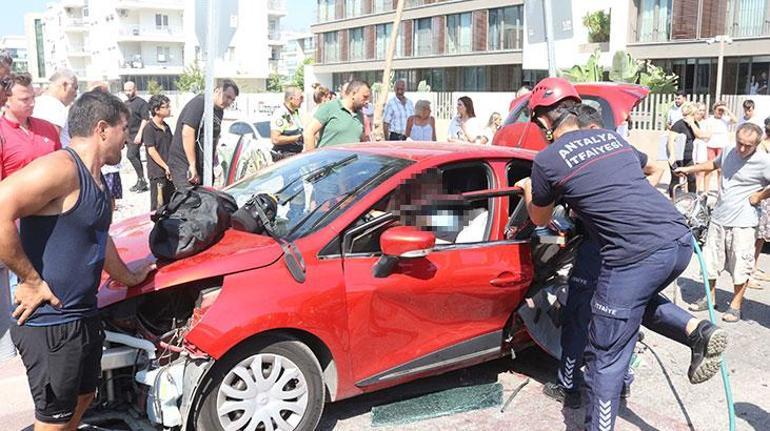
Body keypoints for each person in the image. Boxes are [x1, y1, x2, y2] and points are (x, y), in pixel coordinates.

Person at [516, 77, 727, 431]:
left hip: (632, 253)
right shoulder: (612, 139)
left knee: (605, 357)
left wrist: (526, 190)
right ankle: (697, 331)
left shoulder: (548, 160)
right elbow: (643, 174)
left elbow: (540, 219)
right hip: (677, 239)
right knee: (626, 306)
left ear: (542, 121)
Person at [0, 89, 154, 430]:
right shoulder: (61, 168)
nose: (127, 139)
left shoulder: (99, 182)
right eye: (124, 129)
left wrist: (129, 277)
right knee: (52, 421)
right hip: (51, 322)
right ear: (102, 129)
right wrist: (30, 280)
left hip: (83, 315)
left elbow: (100, 238)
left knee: (84, 399)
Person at [541, 104, 661, 408]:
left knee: (579, 315)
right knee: (624, 318)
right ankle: (619, 384)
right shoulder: (615, 149)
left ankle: (569, 386)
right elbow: (658, 168)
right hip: (629, 250)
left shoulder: (586, 152)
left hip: (599, 249)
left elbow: (542, 217)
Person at [676, 123, 770, 322]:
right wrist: (689, 169)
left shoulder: (764, 161)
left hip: (743, 222)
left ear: (757, 144)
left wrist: (760, 196)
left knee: (741, 265)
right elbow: (713, 164)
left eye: (748, 146)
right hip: (719, 217)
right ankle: (709, 298)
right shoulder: (728, 151)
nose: (742, 148)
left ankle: (736, 305)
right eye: (740, 143)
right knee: (710, 262)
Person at [167, 79, 239, 190]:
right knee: (189, 199)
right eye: (227, 97)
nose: (229, 102)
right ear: (217, 91)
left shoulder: (219, 111)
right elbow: (187, 132)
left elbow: (214, 136)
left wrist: (214, 161)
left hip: (204, 163)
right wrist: (192, 164)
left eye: (232, 100)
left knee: (206, 198)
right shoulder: (200, 103)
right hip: (184, 162)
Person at [1, 73, 62, 180]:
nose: (32, 103)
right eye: (25, 99)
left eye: (33, 97)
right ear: (6, 100)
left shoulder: (48, 128)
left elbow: (61, 167)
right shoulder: (2, 133)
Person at [303, 80, 370, 150]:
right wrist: (312, 159)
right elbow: (308, 133)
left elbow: (362, 141)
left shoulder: (360, 116)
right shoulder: (330, 107)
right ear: (353, 94)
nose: (367, 101)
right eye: (365, 97)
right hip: (328, 160)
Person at [143, 94, 174, 211]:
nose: (169, 109)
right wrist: (165, 166)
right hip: (157, 173)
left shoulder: (166, 127)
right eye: (166, 107)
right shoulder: (149, 128)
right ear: (157, 110)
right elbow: (151, 151)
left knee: (170, 205)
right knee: (158, 206)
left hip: (169, 172)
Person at [32, 69, 78, 147]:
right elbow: (51, 143)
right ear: (65, 85)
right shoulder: (56, 107)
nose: (76, 94)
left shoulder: (36, 103)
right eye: (75, 88)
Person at [750, 119, 770, 289]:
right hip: (761, 196)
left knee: (762, 236)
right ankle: (747, 274)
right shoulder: (761, 147)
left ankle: (754, 268)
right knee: (755, 235)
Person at [703, 101, 737, 195]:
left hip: (722, 146)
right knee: (709, 168)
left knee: (720, 169)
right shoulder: (709, 120)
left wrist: (726, 110)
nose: (720, 112)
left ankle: (719, 190)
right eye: (719, 110)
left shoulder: (725, 119)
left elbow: (735, 120)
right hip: (711, 145)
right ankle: (705, 190)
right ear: (714, 110)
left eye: (722, 110)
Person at [668, 102, 701, 197]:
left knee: (692, 179)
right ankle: (673, 200)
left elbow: (699, 135)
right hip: (677, 156)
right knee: (675, 179)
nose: (698, 116)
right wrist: (672, 156)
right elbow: (671, 141)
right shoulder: (679, 124)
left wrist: (692, 124)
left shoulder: (695, 124)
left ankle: (692, 199)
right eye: (696, 114)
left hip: (688, 156)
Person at [122, 81, 150, 193]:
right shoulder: (125, 104)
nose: (128, 92)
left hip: (137, 134)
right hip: (128, 135)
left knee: (131, 155)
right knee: (136, 157)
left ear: (135, 89)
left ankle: (142, 180)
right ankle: (141, 181)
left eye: (130, 90)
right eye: (126, 90)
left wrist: (140, 134)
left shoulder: (141, 103)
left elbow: (145, 119)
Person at [270, 86, 305, 159]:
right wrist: (297, 138)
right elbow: (275, 139)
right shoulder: (280, 114)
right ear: (291, 99)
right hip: (284, 157)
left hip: (295, 155)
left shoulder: (295, 112)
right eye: (301, 98)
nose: (303, 100)